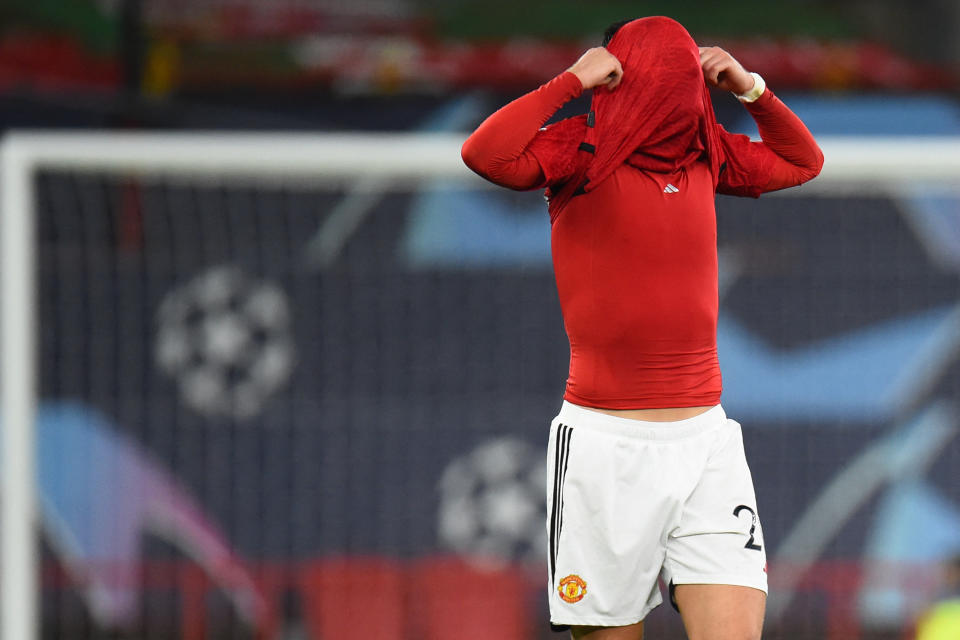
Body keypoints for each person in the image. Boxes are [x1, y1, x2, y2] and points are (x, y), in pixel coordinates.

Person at [461, 16, 823, 640]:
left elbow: (803, 160)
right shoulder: (578, 150)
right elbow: (483, 154)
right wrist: (569, 81)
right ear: (614, 73)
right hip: (605, 449)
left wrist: (751, 89)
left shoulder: (707, 153)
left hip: (706, 442)